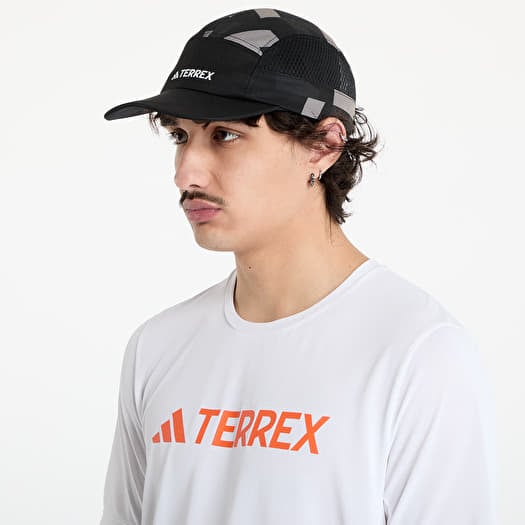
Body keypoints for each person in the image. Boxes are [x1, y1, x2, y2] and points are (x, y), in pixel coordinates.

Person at [100, 7, 498, 525]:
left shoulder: (419, 354)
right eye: (180, 136)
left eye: (224, 135)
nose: (186, 173)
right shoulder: (157, 346)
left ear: (324, 145)